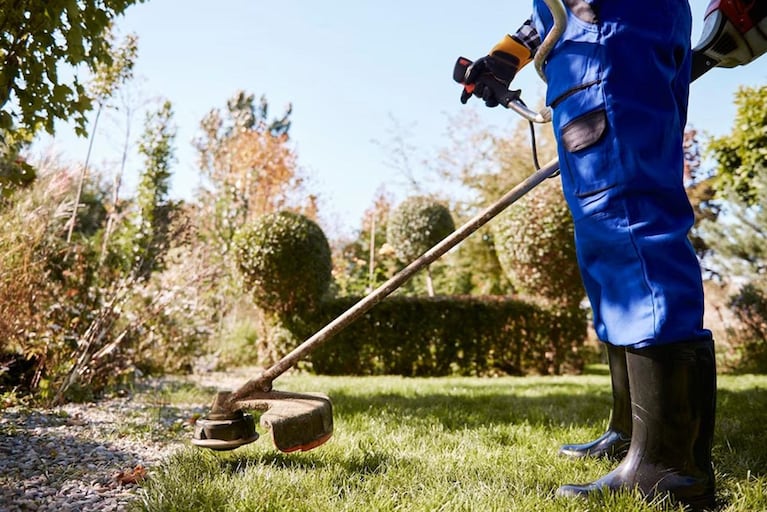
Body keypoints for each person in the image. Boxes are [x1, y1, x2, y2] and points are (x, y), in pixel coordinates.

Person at [460, 1, 717, 509]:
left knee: (626, 220)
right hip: (597, 36)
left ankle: (669, 463)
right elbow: (553, 11)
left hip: (609, 35)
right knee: (606, 239)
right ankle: (632, 433)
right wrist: (507, 55)